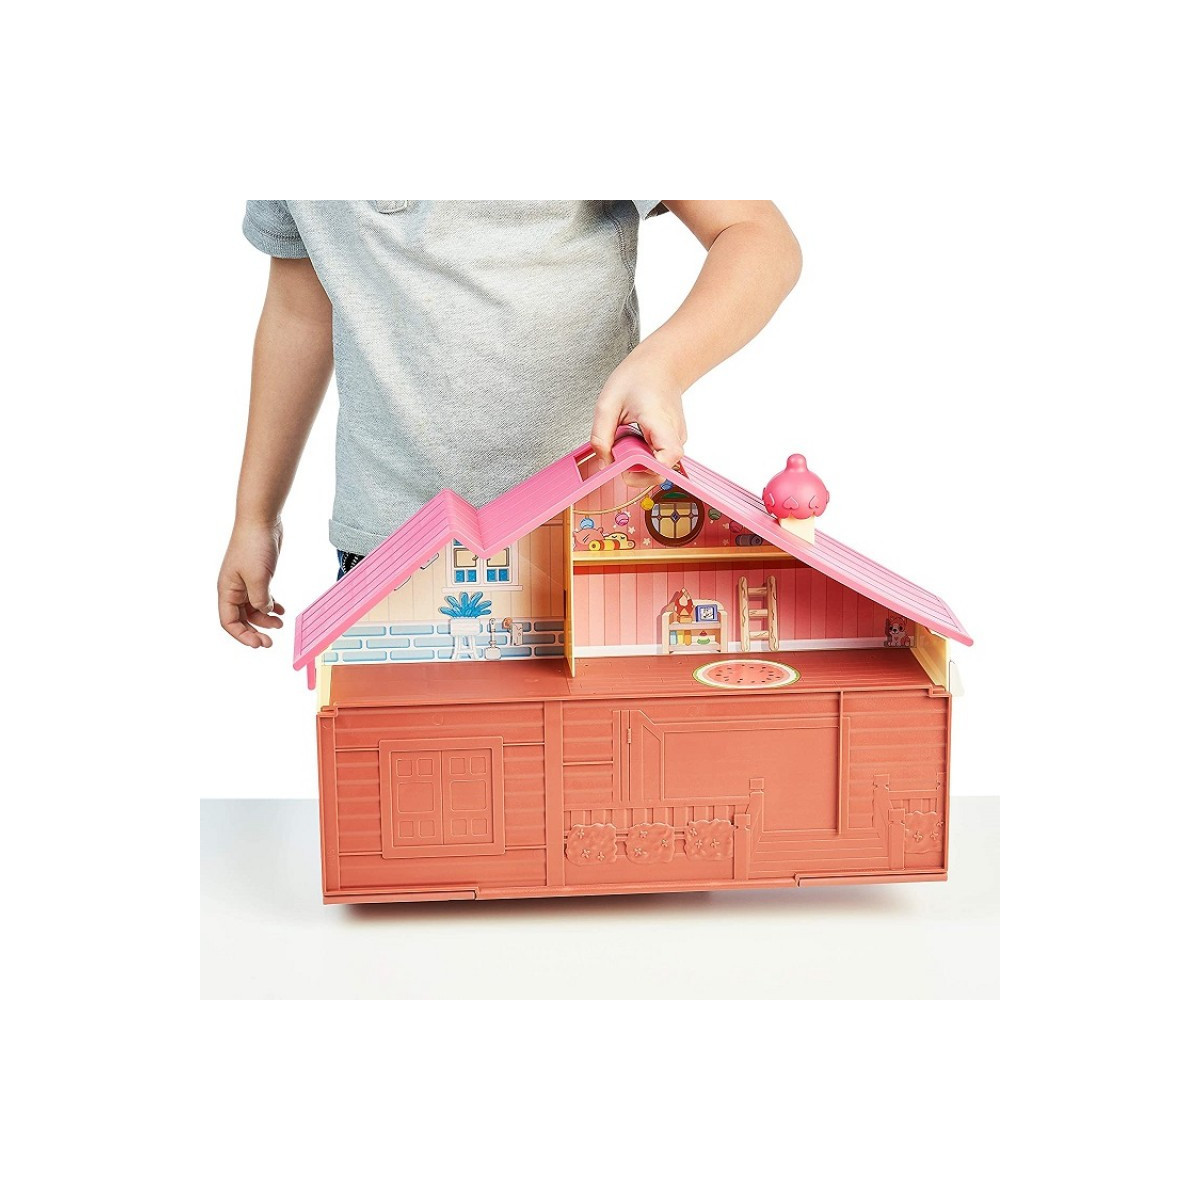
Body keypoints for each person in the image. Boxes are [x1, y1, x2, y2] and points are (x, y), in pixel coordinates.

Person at [219, 200, 801, 648]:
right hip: (385, 549)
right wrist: (255, 516)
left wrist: (663, 365)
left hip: (588, 540)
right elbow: (300, 303)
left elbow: (757, 234)